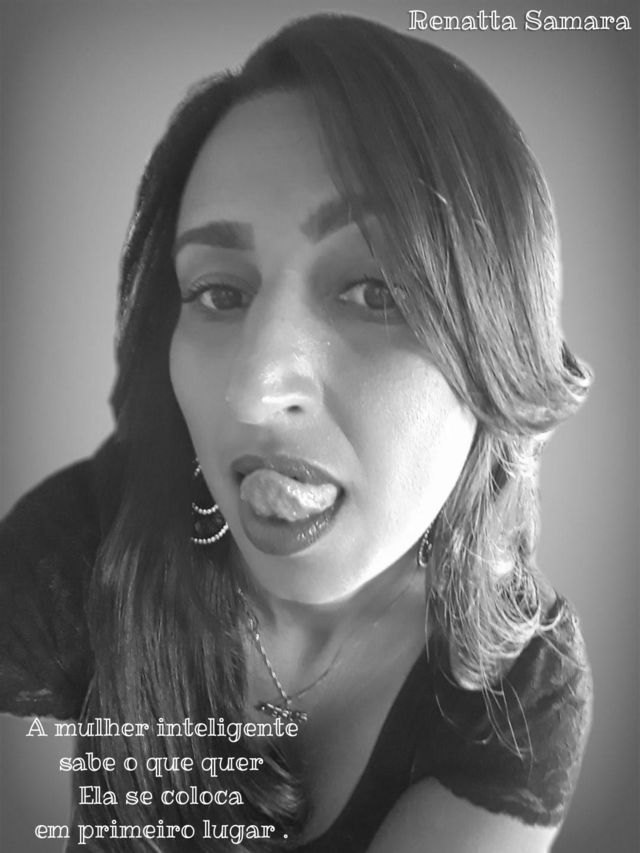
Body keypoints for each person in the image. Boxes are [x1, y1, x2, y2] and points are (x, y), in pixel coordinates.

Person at [0, 13, 593, 853]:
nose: (252, 389)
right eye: (219, 293)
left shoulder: (522, 687)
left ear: (498, 347)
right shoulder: (70, 559)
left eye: (375, 291)